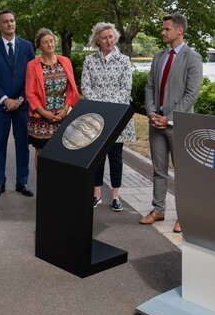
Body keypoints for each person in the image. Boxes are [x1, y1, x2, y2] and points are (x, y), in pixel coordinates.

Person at [142, 13, 203, 233]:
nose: (163, 32)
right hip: (155, 123)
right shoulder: (159, 56)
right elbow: (149, 87)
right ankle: (158, 210)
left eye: (166, 29)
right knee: (159, 169)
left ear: (180, 31)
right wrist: (151, 113)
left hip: (179, 125)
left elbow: (191, 94)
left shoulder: (192, 58)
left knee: (183, 172)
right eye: (163, 28)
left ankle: (185, 216)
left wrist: (169, 117)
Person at [81, 22, 135, 212]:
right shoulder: (89, 61)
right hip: (96, 117)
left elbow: (125, 89)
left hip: (117, 116)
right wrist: (101, 106)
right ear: (97, 40)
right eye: (104, 37)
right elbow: (86, 88)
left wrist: (108, 107)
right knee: (97, 156)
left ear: (115, 37)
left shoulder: (124, 61)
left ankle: (115, 196)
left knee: (116, 156)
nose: (108, 40)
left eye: (111, 36)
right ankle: (96, 194)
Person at [0, 10, 36, 198]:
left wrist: (20, 99)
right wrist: (5, 99)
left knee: (23, 145)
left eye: (12, 20)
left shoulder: (27, 46)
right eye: (5, 22)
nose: (9, 24)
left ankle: (22, 182)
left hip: (22, 105)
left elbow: (32, 75)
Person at [25, 28, 79, 166]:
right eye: (45, 42)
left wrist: (66, 109)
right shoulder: (32, 65)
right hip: (41, 116)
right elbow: (30, 92)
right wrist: (44, 113)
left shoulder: (65, 61)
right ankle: (43, 185)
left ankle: (58, 185)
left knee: (62, 151)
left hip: (62, 114)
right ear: (39, 45)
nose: (49, 45)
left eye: (51, 41)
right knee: (42, 151)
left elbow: (71, 88)